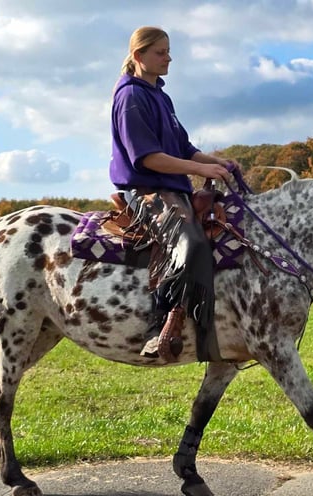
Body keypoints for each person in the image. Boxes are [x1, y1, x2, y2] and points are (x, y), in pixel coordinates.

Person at [110, 26, 233, 362]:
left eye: (168, 51)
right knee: (191, 244)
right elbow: (148, 158)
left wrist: (216, 162)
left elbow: (185, 149)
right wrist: (201, 171)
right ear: (139, 56)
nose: (169, 58)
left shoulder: (161, 97)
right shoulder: (130, 97)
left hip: (175, 188)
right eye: (160, 52)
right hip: (147, 190)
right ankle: (159, 325)